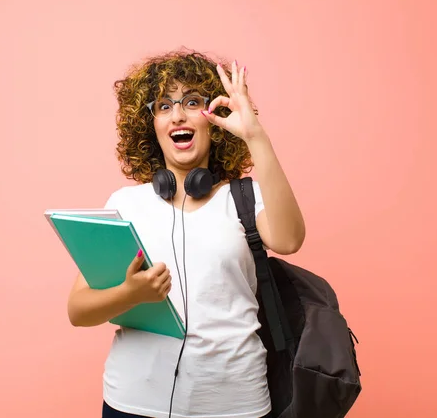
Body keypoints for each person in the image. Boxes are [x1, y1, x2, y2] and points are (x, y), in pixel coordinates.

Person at [67, 49, 306, 418]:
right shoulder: (126, 204)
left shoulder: (244, 198)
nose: (177, 114)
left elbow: (290, 241)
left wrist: (256, 137)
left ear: (214, 119)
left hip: (235, 406)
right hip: (132, 403)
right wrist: (131, 294)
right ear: (151, 126)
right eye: (163, 106)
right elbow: (78, 310)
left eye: (192, 102)